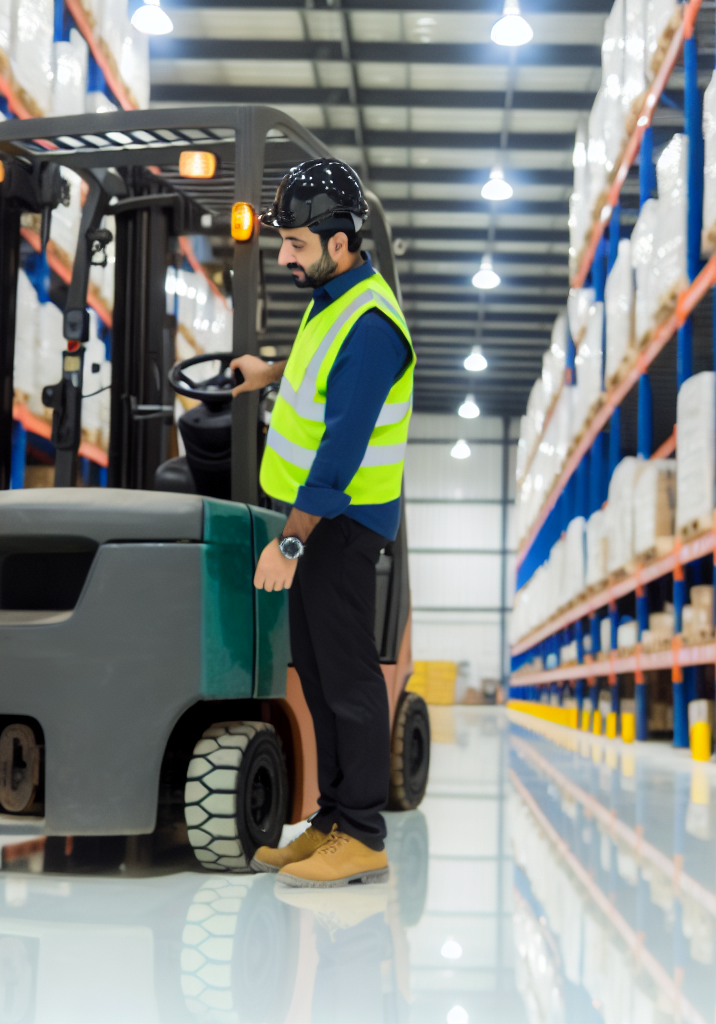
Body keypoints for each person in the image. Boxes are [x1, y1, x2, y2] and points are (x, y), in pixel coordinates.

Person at [229, 157, 415, 889]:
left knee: (348, 681)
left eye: (297, 244)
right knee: (316, 673)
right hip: (319, 523)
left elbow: (338, 456)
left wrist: (290, 541)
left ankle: (363, 833)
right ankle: (333, 820)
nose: (284, 256)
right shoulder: (336, 297)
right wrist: (269, 372)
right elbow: (318, 367)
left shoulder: (372, 327)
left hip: (339, 524)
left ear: (341, 242)